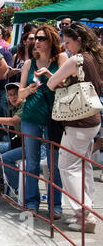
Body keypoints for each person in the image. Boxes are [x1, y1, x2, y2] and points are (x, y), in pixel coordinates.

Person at [45, 22, 102, 233]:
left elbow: (51, 85)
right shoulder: (94, 58)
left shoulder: (76, 60)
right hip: (93, 119)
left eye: (68, 42)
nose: (66, 47)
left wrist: (58, 79)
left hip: (78, 122)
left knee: (67, 166)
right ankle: (86, 213)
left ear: (79, 40)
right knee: (83, 166)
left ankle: (83, 213)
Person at [18, 25, 68, 217]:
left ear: (51, 41)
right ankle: (32, 202)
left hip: (53, 118)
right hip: (30, 117)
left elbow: (66, 86)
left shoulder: (61, 59)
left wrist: (48, 75)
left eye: (41, 39)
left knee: (54, 164)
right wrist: (29, 90)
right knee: (31, 163)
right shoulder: (29, 63)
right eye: (35, 38)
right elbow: (19, 95)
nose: (36, 42)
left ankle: (55, 205)